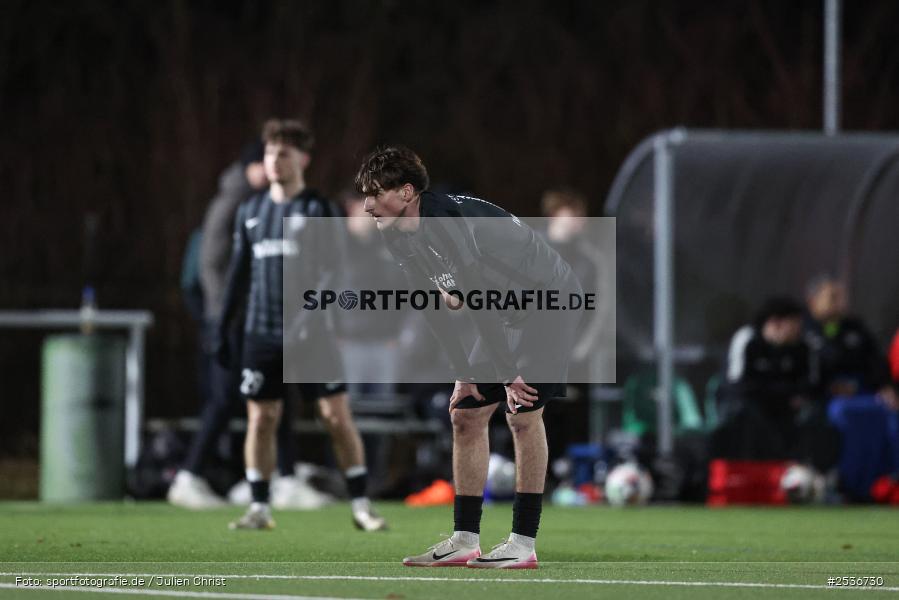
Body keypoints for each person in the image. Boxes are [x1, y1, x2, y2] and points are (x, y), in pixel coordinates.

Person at [355, 146, 587, 569]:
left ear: (406, 192)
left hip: (549, 303)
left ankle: (523, 543)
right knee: (465, 413)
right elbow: (432, 307)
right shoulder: (397, 230)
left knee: (522, 414)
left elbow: (477, 300)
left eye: (375, 193)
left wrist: (508, 373)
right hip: (507, 310)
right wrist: (463, 373)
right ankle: (464, 540)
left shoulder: (445, 223)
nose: (367, 205)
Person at [216, 119, 386, 531]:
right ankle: (259, 508)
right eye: (269, 153)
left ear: (303, 159)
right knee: (262, 418)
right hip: (262, 333)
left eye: (284, 154)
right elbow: (238, 273)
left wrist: (309, 318)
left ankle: (361, 504)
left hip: (312, 335)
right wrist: (222, 327)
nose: (274, 161)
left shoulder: (317, 209)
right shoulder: (250, 211)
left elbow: (333, 272)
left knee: (335, 416)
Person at [168, 143, 271, 509]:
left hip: (238, 318)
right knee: (226, 398)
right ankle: (190, 475)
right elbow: (209, 266)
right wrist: (223, 315)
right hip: (231, 321)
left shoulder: (247, 201)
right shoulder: (232, 202)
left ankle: (252, 478)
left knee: (256, 397)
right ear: (253, 165)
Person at [711, 297, 840, 472]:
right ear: (776, 323)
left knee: (816, 419)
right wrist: (778, 394)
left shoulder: (802, 346)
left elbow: (809, 385)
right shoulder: (747, 339)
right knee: (745, 416)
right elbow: (737, 384)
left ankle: (806, 473)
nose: (798, 330)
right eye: (794, 325)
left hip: (786, 408)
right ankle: (749, 473)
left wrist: (791, 397)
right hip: (750, 405)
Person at [803, 275, 896, 407]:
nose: (841, 303)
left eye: (842, 297)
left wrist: (884, 385)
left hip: (862, 388)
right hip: (822, 394)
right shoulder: (801, 328)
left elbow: (875, 358)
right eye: (833, 297)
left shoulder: (854, 326)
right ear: (813, 301)